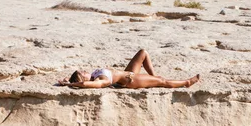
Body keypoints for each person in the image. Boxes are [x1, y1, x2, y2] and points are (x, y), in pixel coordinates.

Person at [56, 49, 199, 89]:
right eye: (82, 73)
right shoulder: (99, 81)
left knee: (143, 53)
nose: (83, 71)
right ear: (83, 79)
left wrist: (67, 80)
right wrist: (71, 84)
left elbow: (81, 81)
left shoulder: (94, 76)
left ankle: (153, 77)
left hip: (128, 72)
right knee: (162, 81)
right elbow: (84, 84)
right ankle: (186, 83)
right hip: (130, 80)